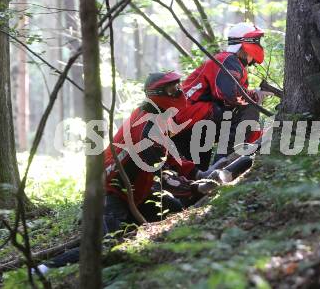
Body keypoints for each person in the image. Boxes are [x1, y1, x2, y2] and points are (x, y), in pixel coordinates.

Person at [36, 71, 214, 272]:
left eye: (178, 87)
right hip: (111, 192)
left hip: (137, 192)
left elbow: (169, 156)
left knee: (173, 210)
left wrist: (197, 175)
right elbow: (162, 171)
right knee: (106, 245)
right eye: (173, 89)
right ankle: (41, 270)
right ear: (158, 93)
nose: (179, 92)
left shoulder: (156, 117)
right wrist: (193, 187)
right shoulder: (146, 125)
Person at [173, 22, 273, 170]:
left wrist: (254, 93)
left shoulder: (229, 61)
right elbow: (230, 96)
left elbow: (230, 93)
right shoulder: (228, 60)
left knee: (199, 174)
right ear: (246, 44)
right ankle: (225, 162)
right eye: (258, 41)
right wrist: (255, 96)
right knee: (249, 107)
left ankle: (208, 179)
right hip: (193, 117)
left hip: (192, 124)